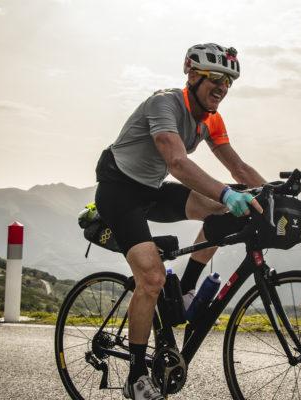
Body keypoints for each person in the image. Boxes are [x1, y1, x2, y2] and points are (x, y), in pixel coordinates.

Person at [94, 43, 265, 399]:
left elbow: (238, 167)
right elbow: (176, 162)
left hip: (152, 190)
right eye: (215, 77)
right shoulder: (165, 103)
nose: (222, 87)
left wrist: (274, 195)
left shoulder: (211, 119)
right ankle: (136, 377)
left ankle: (187, 290)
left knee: (223, 211)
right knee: (152, 278)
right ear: (193, 75)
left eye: (229, 82)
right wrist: (227, 194)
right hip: (118, 191)